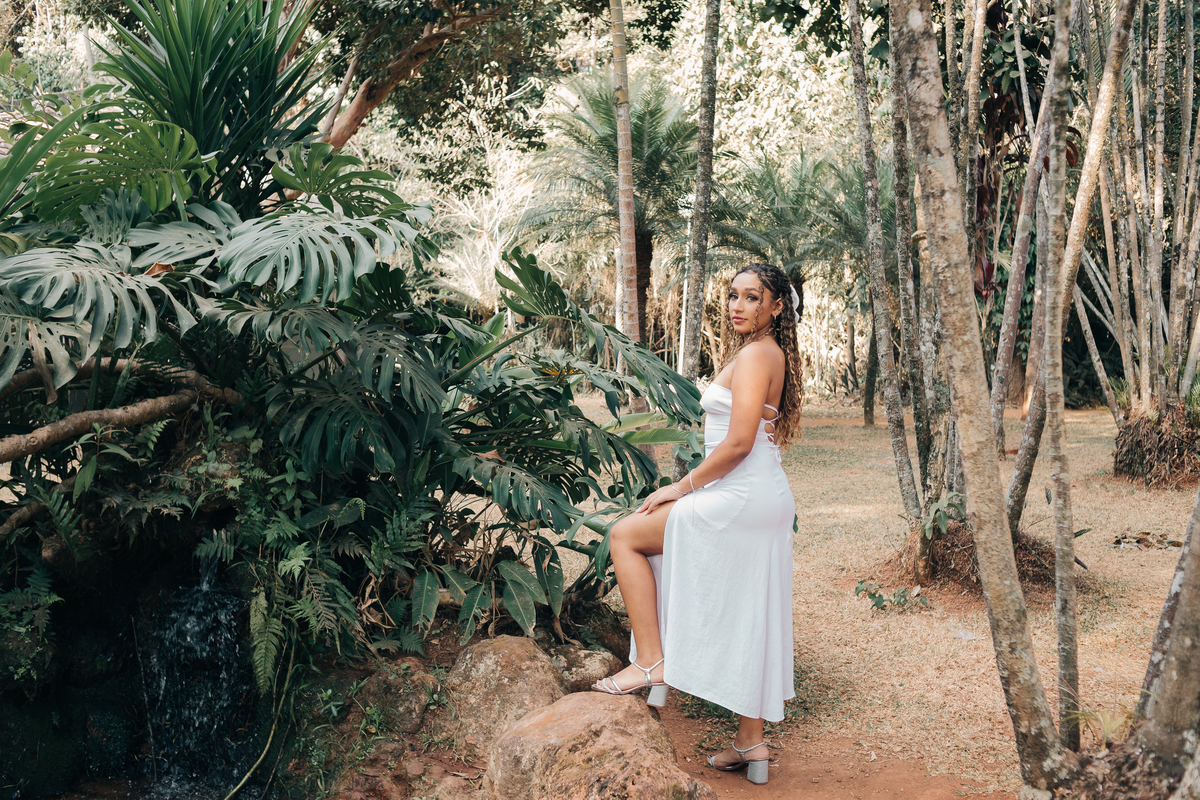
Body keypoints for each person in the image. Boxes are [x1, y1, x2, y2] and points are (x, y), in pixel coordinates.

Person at [592, 263, 801, 786]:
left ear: (776, 306)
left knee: (625, 536)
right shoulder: (765, 352)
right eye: (733, 295)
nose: (737, 306)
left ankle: (650, 662)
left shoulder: (756, 355)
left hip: (741, 493)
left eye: (752, 297)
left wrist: (679, 487)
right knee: (753, 610)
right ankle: (750, 741)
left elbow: (738, 443)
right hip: (757, 494)